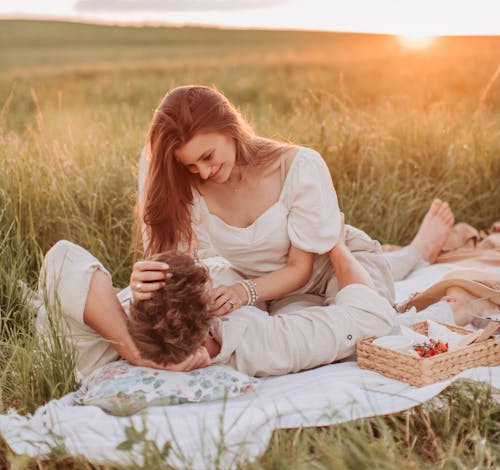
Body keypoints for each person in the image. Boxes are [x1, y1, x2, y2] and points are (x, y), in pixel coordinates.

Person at [132, 85, 454, 317]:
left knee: (362, 320)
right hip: (277, 288)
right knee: (297, 332)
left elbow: (301, 269)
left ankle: (416, 252)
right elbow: (165, 254)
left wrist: (245, 292)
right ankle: (409, 254)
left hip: (334, 260)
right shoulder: (187, 185)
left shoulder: (297, 165)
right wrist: (143, 279)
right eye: (190, 165)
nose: (203, 172)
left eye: (207, 156)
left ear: (229, 128)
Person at [36, 224, 398, 379]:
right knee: (375, 275)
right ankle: (417, 252)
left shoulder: (93, 347)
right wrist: (331, 240)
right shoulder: (258, 343)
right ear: (212, 316)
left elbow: (64, 257)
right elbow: (372, 317)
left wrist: (134, 352)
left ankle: (410, 253)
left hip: (248, 265)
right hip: (318, 271)